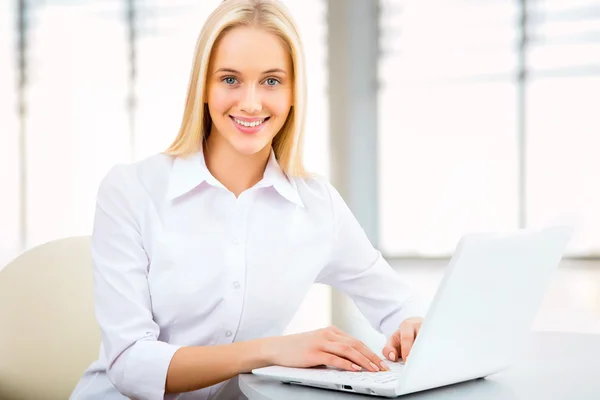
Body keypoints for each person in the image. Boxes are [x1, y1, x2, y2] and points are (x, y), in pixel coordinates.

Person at [70, 0, 425, 399]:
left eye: (272, 81)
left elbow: (397, 301)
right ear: (203, 86)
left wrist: (412, 322)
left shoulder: (316, 205)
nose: (251, 103)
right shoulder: (132, 190)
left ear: (294, 93)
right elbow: (130, 364)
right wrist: (274, 351)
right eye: (230, 79)